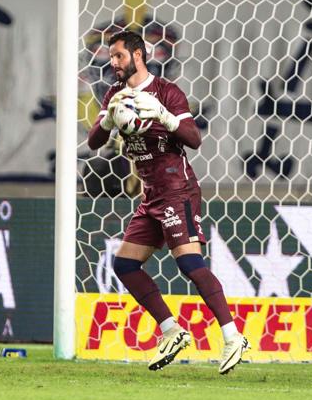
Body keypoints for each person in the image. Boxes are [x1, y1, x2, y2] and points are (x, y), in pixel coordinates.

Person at [88, 30, 249, 373]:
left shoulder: (167, 92)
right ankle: (171, 330)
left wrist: (165, 116)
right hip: (150, 194)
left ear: (138, 55)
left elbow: (194, 139)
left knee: (189, 263)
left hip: (177, 189)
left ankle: (233, 336)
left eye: (118, 56)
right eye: (111, 57)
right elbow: (93, 141)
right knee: (125, 265)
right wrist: (108, 118)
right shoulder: (116, 94)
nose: (113, 63)